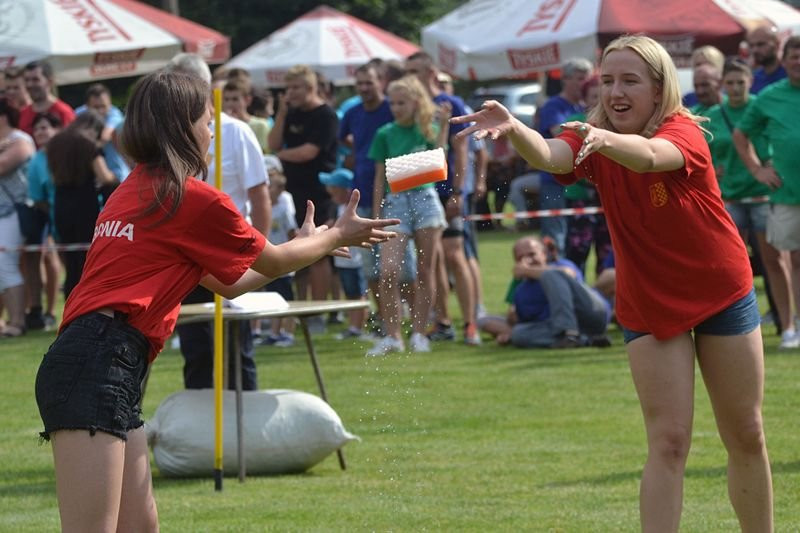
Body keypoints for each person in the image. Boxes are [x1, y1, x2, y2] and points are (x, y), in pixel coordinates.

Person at [33, 69, 397, 533]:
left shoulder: (135, 190)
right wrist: (333, 236)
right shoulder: (189, 197)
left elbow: (228, 282)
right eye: (207, 122)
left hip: (105, 363)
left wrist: (313, 246)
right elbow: (275, 260)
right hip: (98, 362)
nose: (211, 133)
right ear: (183, 125)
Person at [455, 34, 773, 531]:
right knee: (668, 442)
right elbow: (550, 156)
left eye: (629, 80)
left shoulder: (681, 130)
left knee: (747, 433)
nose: (615, 91)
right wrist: (515, 127)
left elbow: (650, 156)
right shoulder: (591, 135)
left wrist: (604, 141)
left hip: (720, 290)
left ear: (658, 86)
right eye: (606, 81)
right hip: (647, 299)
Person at [167, 52, 271, 391]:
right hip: (185, 255)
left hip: (230, 251)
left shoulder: (236, 132)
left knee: (236, 347)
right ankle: (199, 428)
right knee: (196, 345)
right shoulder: (170, 137)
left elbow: (259, 195)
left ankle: (245, 422)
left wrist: (262, 256)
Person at [706, 59, 795, 348]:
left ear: (749, 81)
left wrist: (763, 168)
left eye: (740, 82)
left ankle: (787, 324)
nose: (734, 88)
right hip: (728, 198)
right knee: (728, 264)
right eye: (729, 82)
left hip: (762, 195)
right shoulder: (713, 115)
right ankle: (733, 325)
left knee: (775, 262)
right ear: (722, 84)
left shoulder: (760, 104)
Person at [367, 75, 449, 355]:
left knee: (426, 269)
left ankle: (419, 332)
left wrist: (444, 127)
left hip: (425, 199)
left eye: (401, 102)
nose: (395, 107)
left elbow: (439, 162)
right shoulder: (385, 133)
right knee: (388, 271)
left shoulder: (427, 129)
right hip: (396, 202)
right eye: (392, 102)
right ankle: (393, 336)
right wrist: (377, 214)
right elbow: (380, 178)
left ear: (415, 102)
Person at [406, 51, 479, 345]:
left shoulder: (450, 104)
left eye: (415, 71)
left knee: (455, 255)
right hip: (421, 192)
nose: (409, 77)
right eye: (406, 72)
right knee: (430, 260)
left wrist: (459, 191)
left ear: (431, 74)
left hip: (447, 191)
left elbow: (461, 151)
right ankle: (444, 321)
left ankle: (471, 323)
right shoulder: (410, 107)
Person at [734, 35, 800, 350]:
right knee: (785, 262)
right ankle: (789, 327)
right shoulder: (769, 97)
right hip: (786, 195)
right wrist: (758, 169)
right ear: (784, 61)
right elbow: (741, 134)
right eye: (794, 56)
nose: (798, 61)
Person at [268, 65, 338, 317]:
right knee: (295, 252)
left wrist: (278, 156)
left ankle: (318, 311)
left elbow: (309, 152)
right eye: (288, 88)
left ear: (310, 87)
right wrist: (283, 114)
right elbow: (273, 142)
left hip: (319, 192)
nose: (290, 93)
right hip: (293, 192)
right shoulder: (292, 113)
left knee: (318, 254)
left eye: (295, 87)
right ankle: (301, 311)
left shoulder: (326, 115)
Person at [478, 236, 610, 348]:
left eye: (531, 254)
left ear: (544, 254)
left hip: (592, 313)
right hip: (564, 327)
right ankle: (584, 340)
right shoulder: (521, 290)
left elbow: (568, 275)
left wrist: (526, 271)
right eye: (521, 258)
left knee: (550, 274)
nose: (528, 260)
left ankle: (568, 332)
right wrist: (514, 318)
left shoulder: (561, 265)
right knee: (518, 334)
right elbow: (530, 321)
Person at [47, 110, 117, 299]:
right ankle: (88, 301)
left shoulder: (55, 142)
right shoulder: (88, 144)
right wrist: (116, 179)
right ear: (94, 128)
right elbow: (104, 176)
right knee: (87, 259)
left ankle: (70, 302)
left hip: (61, 206)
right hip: (85, 206)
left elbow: (53, 176)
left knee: (70, 262)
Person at [532, 57, 593, 254]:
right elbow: (561, 135)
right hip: (553, 180)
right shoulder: (554, 105)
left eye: (587, 78)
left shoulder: (583, 107)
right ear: (565, 79)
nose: (584, 83)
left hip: (577, 184)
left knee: (577, 241)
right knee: (554, 236)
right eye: (579, 78)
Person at [319, 167, 370, 339]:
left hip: (355, 261)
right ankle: (354, 325)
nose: (330, 193)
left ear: (346, 190)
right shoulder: (337, 208)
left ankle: (358, 327)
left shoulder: (352, 211)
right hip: (343, 262)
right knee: (350, 294)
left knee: (358, 295)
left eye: (334, 189)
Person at [0, 97, 35, 337]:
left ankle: (17, 321)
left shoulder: (20, 140)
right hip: (3, 213)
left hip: (14, 212)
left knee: (7, 264)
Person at [25, 112, 63, 330]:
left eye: (45, 127)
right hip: (56, 218)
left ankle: (50, 310)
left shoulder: (68, 152)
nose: (41, 132)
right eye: (37, 128)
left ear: (57, 129)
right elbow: (37, 197)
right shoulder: (35, 161)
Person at [75, 83, 131, 182]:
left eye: (103, 106)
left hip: (117, 175)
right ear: (87, 106)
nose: (100, 111)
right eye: (96, 107)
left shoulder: (115, 115)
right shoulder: (78, 114)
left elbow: (105, 137)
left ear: (110, 103)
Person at [18, 61, 75, 139]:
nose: (30, 84)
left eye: (35, 80)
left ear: (49, 81)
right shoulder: (22, 114)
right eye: (27, 80)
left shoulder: (63, 112)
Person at [223, 77, 271, 153]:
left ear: (247, 100)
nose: (230, 104)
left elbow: (263, 153)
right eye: (226, 99)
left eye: (235, 99)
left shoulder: (261, 125)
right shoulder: (220, 126)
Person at [747, 25, 786, 94]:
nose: (755, 50)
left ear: (777, 44)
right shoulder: (753, 79)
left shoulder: (792, 74)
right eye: (751, 46)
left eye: (761, 44)